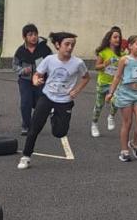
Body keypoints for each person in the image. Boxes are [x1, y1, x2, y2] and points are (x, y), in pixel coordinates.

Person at [17, 31, 89, 170]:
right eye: (67, 44)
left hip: (65, 100)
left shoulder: (78, 63)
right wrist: (36, 80)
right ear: (57, 45)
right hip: (47, 97)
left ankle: (53, 115)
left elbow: (86, 77)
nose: (70, 47)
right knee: (34, 128)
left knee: (59, 133)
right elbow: (37, 74)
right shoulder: (49, 60)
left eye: (72, 45)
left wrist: (77, 90)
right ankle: (26, 157)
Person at [107, 34, 137, 163]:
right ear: (130, 46)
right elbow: (117, 76)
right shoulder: (124, 60)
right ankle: (124, 151)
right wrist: (111, 92)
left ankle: (134, 144)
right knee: (128, 122)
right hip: (125, 93)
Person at [13, 24, 52, 135]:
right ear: (24, 37)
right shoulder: (20, 51)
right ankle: (26, 125)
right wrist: (23, 70)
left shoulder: (45, 49)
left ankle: (36, 123)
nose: (33, 37)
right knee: (26, 102)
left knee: (40, 103)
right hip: (25, 81)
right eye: (30, 35)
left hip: (41, 80)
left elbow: (52, 62)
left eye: (35, 34)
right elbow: (14, 66)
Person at [90, 26, 124, 138]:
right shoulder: (103, 52)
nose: (118, 39)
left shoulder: (122, 53)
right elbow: (97, 67)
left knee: (116, 101)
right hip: (103, 82)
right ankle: (94, 124)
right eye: (115, 37)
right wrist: (106, 63)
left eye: (119, 37)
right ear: (109, 39)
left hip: (115, 83)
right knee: (99, 105)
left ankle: (111, 116)